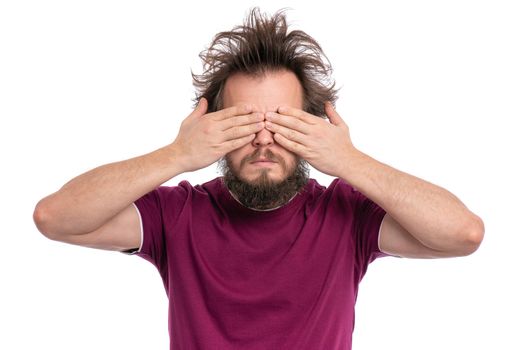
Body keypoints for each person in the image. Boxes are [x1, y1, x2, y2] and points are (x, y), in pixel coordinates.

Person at [33, 8, 484, 350]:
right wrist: (176, 154)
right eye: (244, 124)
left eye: (284, 124)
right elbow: (55, 218)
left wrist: (349, 160)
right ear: (215, 130)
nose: (264, 141)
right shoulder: (177, 214)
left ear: (310, 128)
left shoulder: (346, 213)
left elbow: (463, 234)